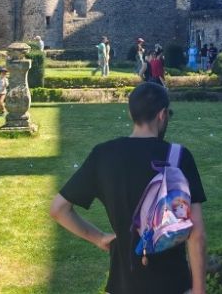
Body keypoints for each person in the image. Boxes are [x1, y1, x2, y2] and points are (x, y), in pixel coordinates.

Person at [50, 82, 207, 294]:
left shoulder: (103, 155)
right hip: (173, 284)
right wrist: (199, 290)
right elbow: (197, 235)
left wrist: (98, 238)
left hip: (122, 284)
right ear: (162, 115)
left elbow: (59, 209)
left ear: (130, 113)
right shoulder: (179, 157)